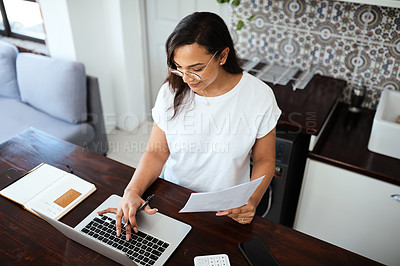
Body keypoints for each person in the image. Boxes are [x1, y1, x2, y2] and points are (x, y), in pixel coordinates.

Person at [98, 11, 281, 241]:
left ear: (223, 56)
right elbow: (157, 151)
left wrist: (251, 201)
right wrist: (131, 191)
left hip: (226, 209)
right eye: (178, 67)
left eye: (196, 68)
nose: (186, 78)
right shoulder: (171, 91)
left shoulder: (259, 96)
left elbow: (265, 159)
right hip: (171, 198)